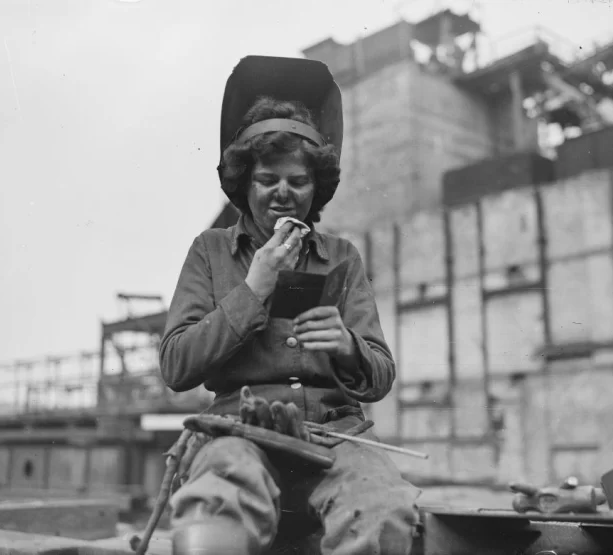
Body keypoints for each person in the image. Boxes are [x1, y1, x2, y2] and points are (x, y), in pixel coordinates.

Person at [159, 55, 422, 555]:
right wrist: (253, 289)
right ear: (244, 182)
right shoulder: (211, 252)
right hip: (238, 431)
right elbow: (175, 366)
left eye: (298, 182)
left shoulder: (343, 258)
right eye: (267, 180)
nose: (283, 194)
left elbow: (381, 373)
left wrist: (348, 346)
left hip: (337, 436)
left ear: (316, 187)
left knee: (384, 507)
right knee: (216, 501)